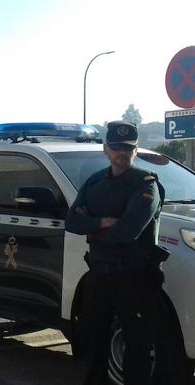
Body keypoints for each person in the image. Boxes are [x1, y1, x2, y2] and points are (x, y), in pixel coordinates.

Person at [65, 121, 165, 385]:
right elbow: (71, 222)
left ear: (136, 150)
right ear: (106, 149)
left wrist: (93, 227)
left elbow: (128, 232)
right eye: (116, 147)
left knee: (137, 346)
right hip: (100, 276)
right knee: (94, 342)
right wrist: (103, 222)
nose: (122, 152)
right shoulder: (95, 182)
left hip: (135, 278)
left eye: (128, 148)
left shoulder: (146, 185)